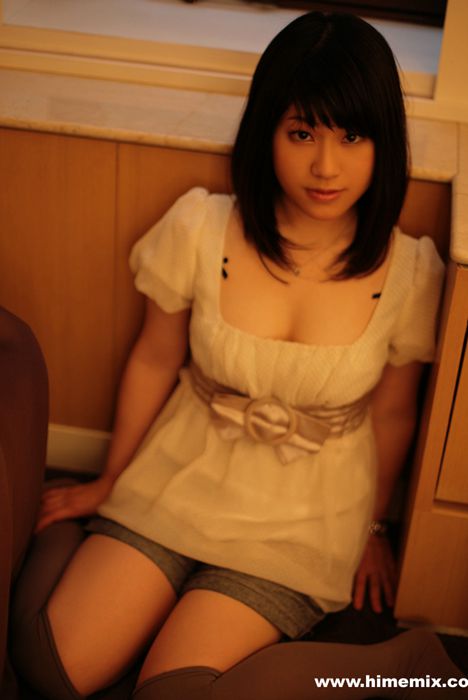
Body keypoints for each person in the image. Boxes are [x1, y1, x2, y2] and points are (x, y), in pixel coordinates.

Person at [10, 10, 467, 700]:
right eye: (302, 132)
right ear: (267, 132)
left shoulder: (408, 271)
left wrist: (373, 529)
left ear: (383, 142)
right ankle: (69, 549)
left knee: (173, 692)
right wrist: (109, 479)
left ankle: (406, 666)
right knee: (50, 668)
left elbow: (393, 414)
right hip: (182, 472)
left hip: (305, 513)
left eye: (352, 136)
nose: (325, 166)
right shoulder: (201, 226)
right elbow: (154, 358)